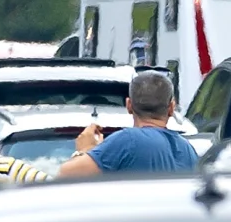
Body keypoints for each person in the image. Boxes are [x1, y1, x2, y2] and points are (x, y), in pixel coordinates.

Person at [54, 70, 191, 178]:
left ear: (129, 105)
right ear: (172, 107)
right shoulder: (188, 150)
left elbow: (66, 176)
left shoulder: (128, 141)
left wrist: (84, 151)